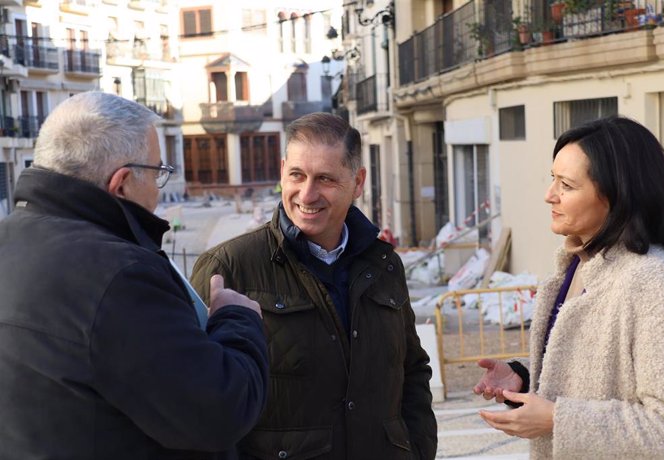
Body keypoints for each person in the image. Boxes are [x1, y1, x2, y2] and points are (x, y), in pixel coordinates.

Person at [0, 92, 269, 459]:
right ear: (122, 182)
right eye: (158, 172)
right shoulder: (119, 275)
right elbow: (220, 411)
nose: (159, 189)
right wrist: (237, 319)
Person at [191, 112, 438, 459]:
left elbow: (411, 371)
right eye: (297, 175)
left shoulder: (384, 265)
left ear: (358, 182)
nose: (307, 194)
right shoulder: (228, 267)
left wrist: (418, 452)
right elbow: (199, 399)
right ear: (282, 173)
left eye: (325, 179)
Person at [473, 116, 664, 458]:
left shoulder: (654, 282)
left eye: (567, 185)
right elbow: (602, 378)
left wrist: (558, 419)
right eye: (552, 180)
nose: (549, 196)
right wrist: (525, 379)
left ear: (617, 196)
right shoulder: (575, 266)